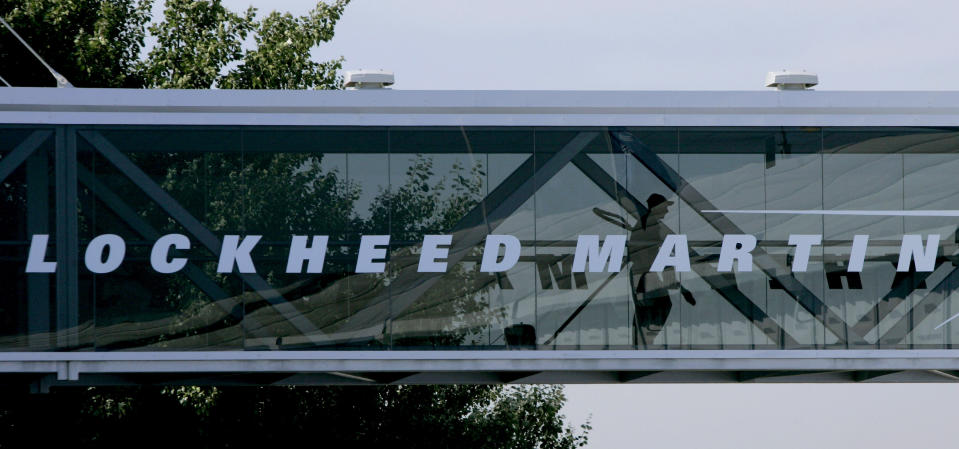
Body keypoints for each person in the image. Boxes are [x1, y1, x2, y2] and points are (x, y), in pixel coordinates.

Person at [593, 193, 695, 348]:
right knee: (656, 305)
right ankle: (643, 340)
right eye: (665, 207)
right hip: (645, 274)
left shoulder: (649, 224)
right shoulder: (651, 226)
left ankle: (642, 341)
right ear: (656, 207)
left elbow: (655, 253)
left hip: (645, 274)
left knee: (652, 307)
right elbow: (651, 254)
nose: (667, 211)